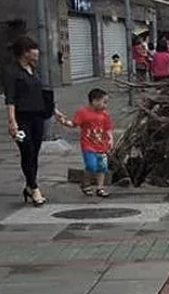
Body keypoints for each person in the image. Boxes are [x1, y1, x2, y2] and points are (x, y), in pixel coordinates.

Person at [3, 36, 65, 206]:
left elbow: (41, 95)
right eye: (34, 49)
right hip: (22, 119)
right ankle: (34, 187)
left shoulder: (34, 70)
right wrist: (12, 121)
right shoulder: (12, 72)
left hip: (38, 117)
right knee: (26, 149)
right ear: (25, 52)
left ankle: (30, 186)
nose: (38, 53)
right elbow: (10, 98)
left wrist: (55, 111)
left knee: (34, 152)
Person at [59, 88, 114, 198]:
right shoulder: (83, 113)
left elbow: (108, 129)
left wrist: (111, 139)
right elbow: (74, 124)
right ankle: (85, 183)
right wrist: (64, 122)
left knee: (102, 167)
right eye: (104, 102)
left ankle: (100, 187)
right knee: (91, 165)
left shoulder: (105, 115)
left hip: (102, 145)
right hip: (88, 145)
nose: (105, 105)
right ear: (95, 101)